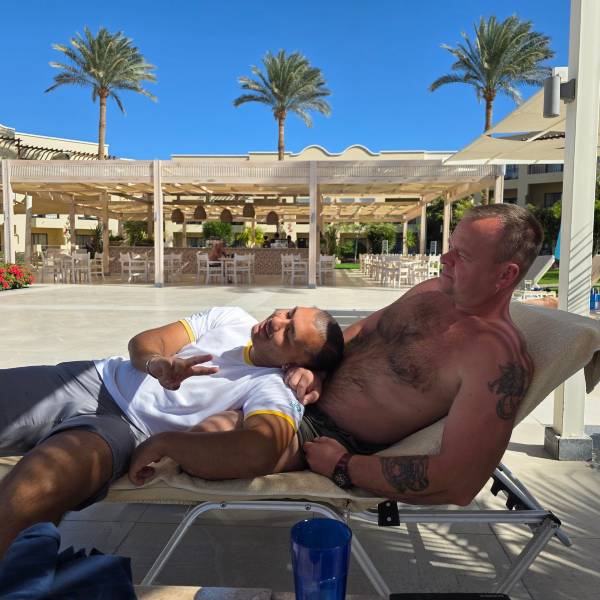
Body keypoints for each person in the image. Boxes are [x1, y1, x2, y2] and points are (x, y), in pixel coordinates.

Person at [191, 204, 544, 507]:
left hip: (321, 434)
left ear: (505, 274)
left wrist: (344, 466)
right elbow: (362, 331)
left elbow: (460, 482)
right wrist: (320, 371)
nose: (444, 259)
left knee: (204, 443)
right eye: (451, 247)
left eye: (461, 256)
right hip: (295, 388)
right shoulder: (432, 291)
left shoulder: (496, 360)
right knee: (192, 390)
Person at [0, 306, 344, 556]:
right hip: (95, 377)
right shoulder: (232, 318)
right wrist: (157, 362)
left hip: (122, 430)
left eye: (289, 333)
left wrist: (168, 443)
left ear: (294, 363)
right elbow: (147, 340)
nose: (277, 321)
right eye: (288, 313)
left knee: (36, 485)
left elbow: (261, 449)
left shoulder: (275, 388)